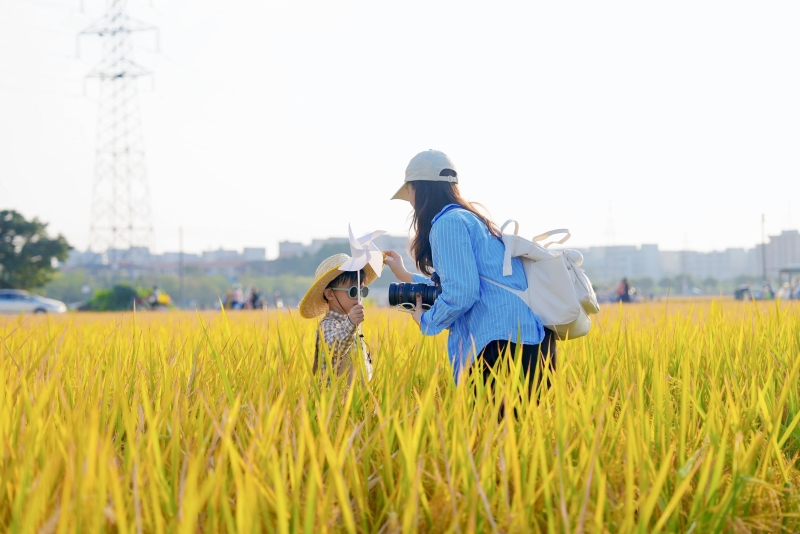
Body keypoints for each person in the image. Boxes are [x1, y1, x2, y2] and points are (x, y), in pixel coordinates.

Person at [384, 149, 554, 393]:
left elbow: (462, 292)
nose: (410, 201)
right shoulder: (472, 219)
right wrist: (407, 276)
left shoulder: (447, 224)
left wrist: (425, 320)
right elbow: (464, 281)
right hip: (530, 342)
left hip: (498, 348)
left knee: (488, 429)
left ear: (419, 190)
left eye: (409, 191)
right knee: (524, 430)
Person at [299, 254, 378, 384]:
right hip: (335, 399)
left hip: (355, 397)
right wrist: (351, 323)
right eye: (353, 291)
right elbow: (336, 347)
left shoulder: (351, 323)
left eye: (362, 291)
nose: (358, 296)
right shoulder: (327, 324)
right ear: (330, 294)